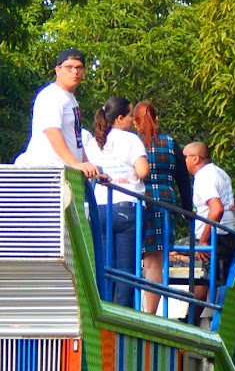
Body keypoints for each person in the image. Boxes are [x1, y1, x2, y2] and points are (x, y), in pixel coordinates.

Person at [85, 96, 149, 308]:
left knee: (104, 267)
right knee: (126, 271)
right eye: (130, 115)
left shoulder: (93, 143)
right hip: (126, 208)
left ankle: (102, 312)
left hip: (99, 208)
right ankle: (123, 317)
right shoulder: (131, 140)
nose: (132, 120)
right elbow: (143, 171)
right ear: (120, 118)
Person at [132, 101, 192, 314]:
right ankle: (150, 312)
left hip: (138, 199)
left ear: (134, 122)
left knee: (129, 255)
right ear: (156, 119)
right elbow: (183, 180)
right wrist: (188, 211)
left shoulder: (132, 143)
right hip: (164, 201)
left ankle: (126, 307)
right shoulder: (170, 143)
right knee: (154, 263)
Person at [14, 48, 99, 177]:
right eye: (69, 67)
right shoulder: (51, 95)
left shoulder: (70, 98)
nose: (74, 72)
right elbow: (52, 132)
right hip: (47, 171)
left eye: (79, 68)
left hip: (65, 172)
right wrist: (75, 164)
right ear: (58, 70)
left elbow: (76, 139)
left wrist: (89, 168)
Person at [183, 142, 235, 314]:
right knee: (199, 269)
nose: (182, 161)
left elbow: (217, 209)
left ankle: (192, 319)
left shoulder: (204, 176)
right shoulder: (220, 173)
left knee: (166, 253)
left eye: (184, 157)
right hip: (228, 234)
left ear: (195, 158)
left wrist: (205, 240)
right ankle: (194, 316)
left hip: (217, 236)